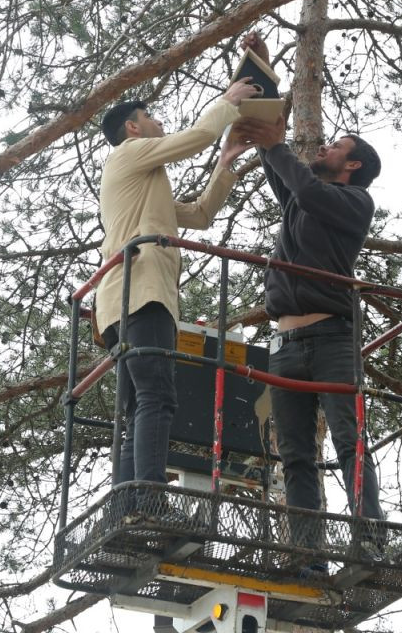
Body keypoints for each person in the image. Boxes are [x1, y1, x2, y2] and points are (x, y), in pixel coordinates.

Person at [233, 32, 385, 563]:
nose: (323, 147)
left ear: (354, 166)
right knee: (294, 454)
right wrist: (264, 75)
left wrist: (274, 143)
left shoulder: (352, 202)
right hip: (286, 343)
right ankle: (307, 551)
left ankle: (370, 540)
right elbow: (288, 178)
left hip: (330, 338)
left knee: (349, 439)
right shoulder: (305, 200)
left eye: (335, 146)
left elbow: (303, 184)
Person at [95, 76, 259, 515]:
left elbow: (201, 216)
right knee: (157, 398)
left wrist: (225, 162)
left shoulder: (148, 181)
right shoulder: (128, 154)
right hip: (141, 294)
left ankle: (126, 502)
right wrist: (227, 103)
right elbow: (198, 136)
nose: (157, 120)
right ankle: (148, 498)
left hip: (125, 301)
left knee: (140, 408)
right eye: (149, 115)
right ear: (132, 128)